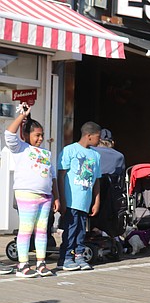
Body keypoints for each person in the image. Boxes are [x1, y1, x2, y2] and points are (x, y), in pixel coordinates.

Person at [4, 104, 60, 277]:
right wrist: (23, 116)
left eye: (42, 135)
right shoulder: (21, 148)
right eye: (37, 135)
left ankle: (41, 264)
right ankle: (22, 265)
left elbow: (52, 177)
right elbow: (9, 133)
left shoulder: (46, 153)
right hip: (26, 193)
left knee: (42, 230)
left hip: (45, 196)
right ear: (26, 135)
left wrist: (56, 197)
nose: (40, 138)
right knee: (26, 229)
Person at [58, 121, 102, 271]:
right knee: (70, 230)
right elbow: (61, 175)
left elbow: (96, 180)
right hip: (71, 201)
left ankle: (79, 255)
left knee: (81, 231)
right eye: (98, 137)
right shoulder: (69, 150)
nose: (99, 140)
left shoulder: (96, 155)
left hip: (85, 201)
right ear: (89, 136)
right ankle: (66, 257)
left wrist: (96, 200)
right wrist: (61, 199)